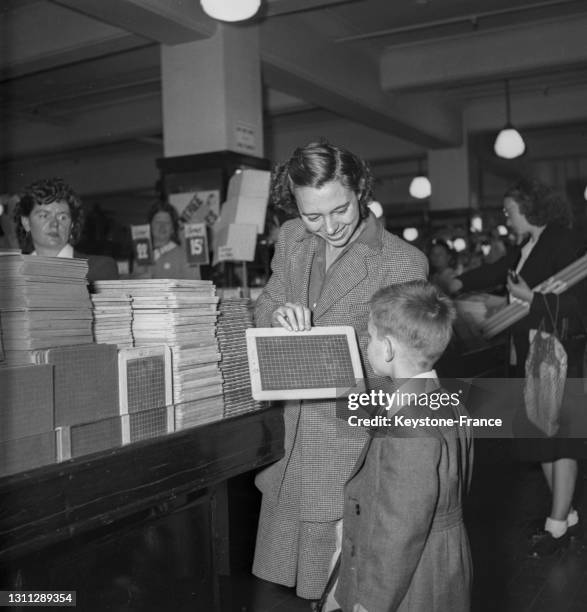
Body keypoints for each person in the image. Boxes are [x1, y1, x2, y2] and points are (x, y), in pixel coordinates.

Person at [252, 141, 428, 605]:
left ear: (360, 190)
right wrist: (277, 314)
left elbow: (405, 374)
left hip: (350, 446)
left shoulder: (401, 262)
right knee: (293, 589)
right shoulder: (291, 239)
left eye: (340, 209)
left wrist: (343, 358)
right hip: (291, 441)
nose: (329, 227)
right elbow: (266, 300)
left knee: (342, 586)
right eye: (313, 216)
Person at [444, 178, 587, 557]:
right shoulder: (528, 245)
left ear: (530, 207)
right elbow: (496, 271)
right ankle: (565, 513)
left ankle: (557, 525)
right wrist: (455, 280)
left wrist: (530, 297)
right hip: (533, 354)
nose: (505, 217)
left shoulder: (564, 241)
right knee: (540, 437)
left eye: (509, 210)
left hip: (559, 355)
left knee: (560, 439)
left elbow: (579, 307)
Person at [323, 280, 473, 612]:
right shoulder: (444, 400)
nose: (367, 345)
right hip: (440, 561)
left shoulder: (411, 426)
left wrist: (372, 601)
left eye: (371, 337)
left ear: (388, 348)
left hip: (412, 581)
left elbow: (400, 530)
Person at [14, 177, 119, 282]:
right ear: (26, 223)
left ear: (71, 225)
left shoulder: (99, 269)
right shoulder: (12, 275)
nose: (54, 223)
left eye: (62, 217)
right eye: (44, 216)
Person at [132, 201, 201, 280]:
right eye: (158, 222)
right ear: (150, 226)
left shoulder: (185, 255)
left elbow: (195, 287)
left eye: (167, 222)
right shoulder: (142, 254)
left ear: (173, 228)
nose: (162, 226)